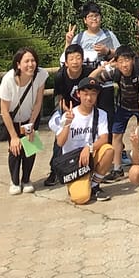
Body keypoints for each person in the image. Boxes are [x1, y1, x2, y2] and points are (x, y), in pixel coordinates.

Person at [50, 75, 114, 204]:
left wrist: (88, 148)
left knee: (109, 150)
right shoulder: (69, 115)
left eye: (93, 94)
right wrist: (67, 124)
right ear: (78, 94)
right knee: (81, 198)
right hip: (73, 162)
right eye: (85, 94)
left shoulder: (101, 114)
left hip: (89, 155)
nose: (89, 98)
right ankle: (79, 183)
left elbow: (104, 138)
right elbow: (60, 142)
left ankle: (94, 185)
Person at [0, 47, 49, 195]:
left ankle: (26, 179)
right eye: (26, 61)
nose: (30, 64)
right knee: (15, 149)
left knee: (30, 147)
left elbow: (38, 102)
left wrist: (31, 124)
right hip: (12, 118)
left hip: (31, 116)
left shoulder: (40, 75)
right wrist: (14, 136)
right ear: (18, 64)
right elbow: (4, 111)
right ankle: (14, 181)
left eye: (33, 60)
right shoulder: (8, 80)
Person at [62, 2, 121, 131]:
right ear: (85, 20)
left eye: (97, 15)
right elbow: (65, 59)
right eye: (90, 16)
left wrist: (107, 51)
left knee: (107, 120)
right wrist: (68, 42)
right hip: (86, 86)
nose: (94, 19)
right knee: (86, 120)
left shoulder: (109, 35)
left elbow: (120, 55)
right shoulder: (79, 38)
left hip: (105, 85)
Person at [89, 45, 139, 182]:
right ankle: (117, 169)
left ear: (133, 60)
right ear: (116, 63)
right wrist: (101, 69)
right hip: (124, 106)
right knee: (116, 135)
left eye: (127, 60)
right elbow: (91, 81)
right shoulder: (115, 72)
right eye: (121, 61)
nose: (124, 65)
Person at [44, 43, 85, 186]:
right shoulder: (60, 76)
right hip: (66, 109)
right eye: (71, 59)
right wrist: (65, 110)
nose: (75, 62)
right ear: (66, 62)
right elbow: (59, 97)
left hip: (84, 109)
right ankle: (54, 170)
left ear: (83, 60)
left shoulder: (88, 72)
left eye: (78, 58)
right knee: (60, 136)